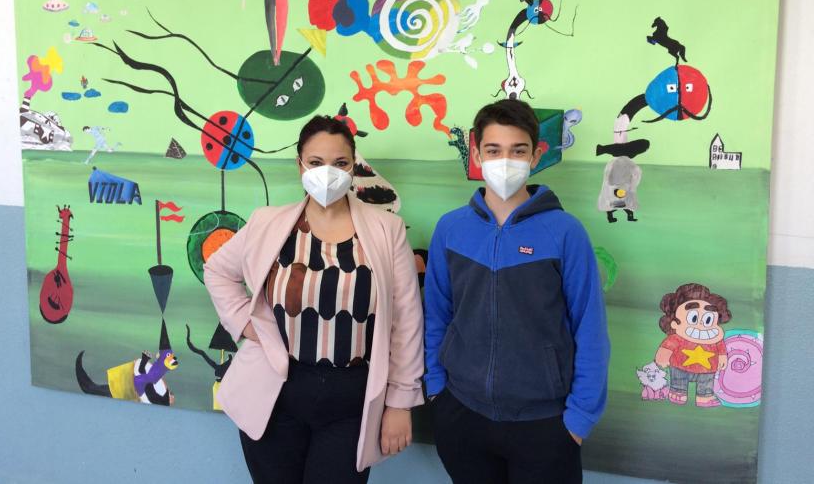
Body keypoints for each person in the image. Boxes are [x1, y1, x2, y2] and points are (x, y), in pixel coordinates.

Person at [204, 115, 424, 484]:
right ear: (300, 165)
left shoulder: (387, 230)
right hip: (275, 392)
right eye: (316, 162)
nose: (328, 173)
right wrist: (244, 323)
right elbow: (217, 271)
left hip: (351, 398)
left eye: (340, 163)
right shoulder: (267, 223)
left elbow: (406, 319)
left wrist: (400, 402)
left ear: (353, 167)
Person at [424, 99, 610, 484]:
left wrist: (578, 420)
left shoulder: (565, 232)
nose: (505, 161)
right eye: (493, 150)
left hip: (546, 424)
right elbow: (436, 315)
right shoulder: (451, 229)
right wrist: (437, 390)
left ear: (536, 156)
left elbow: (590, 328)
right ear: (477, 154)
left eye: (518, 151)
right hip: (461, 415)